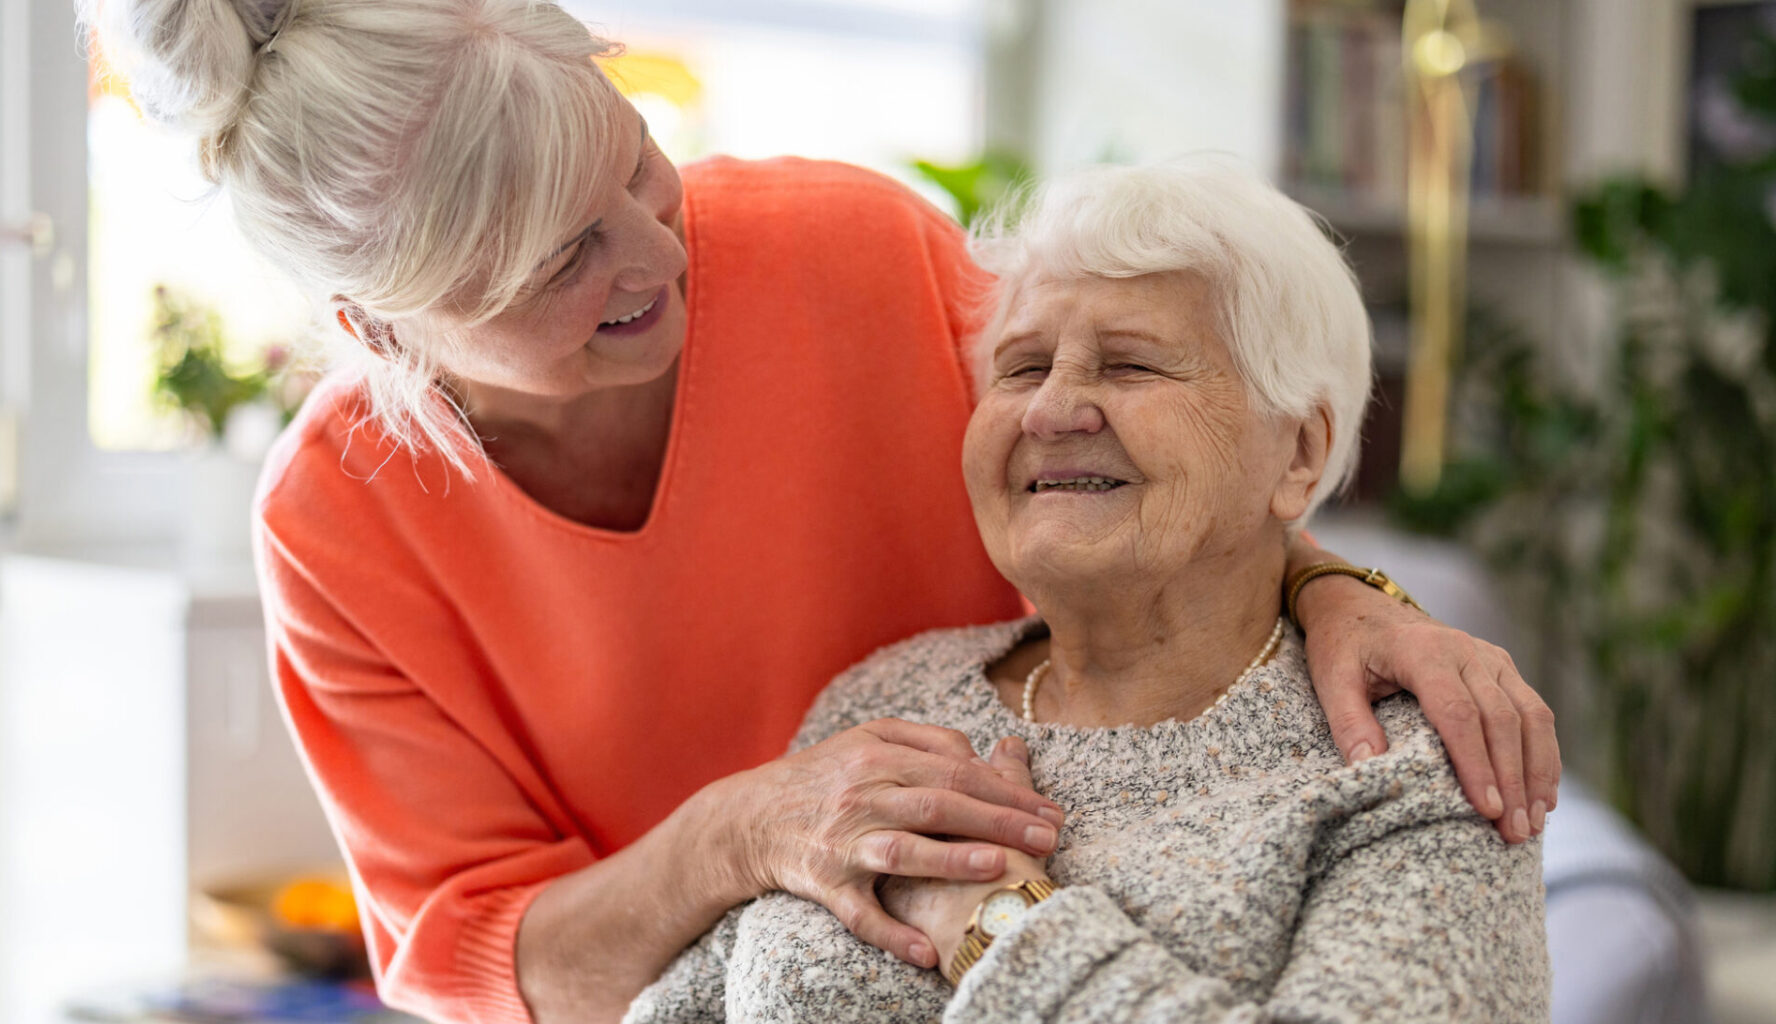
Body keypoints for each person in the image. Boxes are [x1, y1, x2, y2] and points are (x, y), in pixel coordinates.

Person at [85, 1, 1560, 1021]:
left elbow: (1138, 447)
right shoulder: (338, 528)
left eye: (634, 163)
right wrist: (748, 836)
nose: (652, 250)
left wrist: (1338, 591)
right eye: (559, 264)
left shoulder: (838, 251)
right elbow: (486, 960)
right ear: (391, 331)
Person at [628, 158, 1550, 1023]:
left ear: (1298, 452)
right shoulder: (883, 701)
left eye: (1132, 364)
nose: (1049, 408)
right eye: (1022, 367)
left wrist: (994, 925)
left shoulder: (1417, 762)